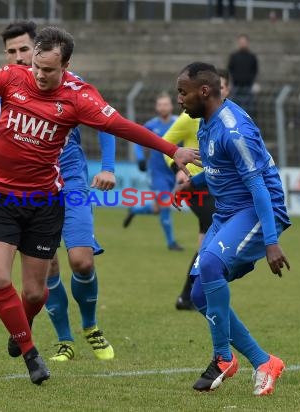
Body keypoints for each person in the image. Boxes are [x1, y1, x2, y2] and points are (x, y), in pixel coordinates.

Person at [0, 26, 200, 385]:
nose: (39, 74)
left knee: (35, 292)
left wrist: (172, 150)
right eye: (36, 66)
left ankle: (29, 329)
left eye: (48, 69)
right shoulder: (13, 78)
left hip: (44, 202)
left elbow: (121, 127)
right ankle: (31, 353)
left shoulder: (79, 97)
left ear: (66, 66)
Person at [0, 21, 117, 363]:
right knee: (49, 269)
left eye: (24, 50)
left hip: (69, 181)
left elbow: (109, 123)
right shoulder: (3, 90)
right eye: (11, 52)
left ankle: (91, 326)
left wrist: (108, 167)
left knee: (81, 260)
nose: (18, 57)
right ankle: (64, 339)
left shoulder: (73, 89)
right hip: (26, 190)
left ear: (41, 50)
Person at [174, 62, 290, 395]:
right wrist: (191, 184)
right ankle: (264, 361)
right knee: (198, 295)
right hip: (228, 213)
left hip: (257, 210)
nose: (179, 99)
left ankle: (223, 357)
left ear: (204, 91)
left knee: (209, 265)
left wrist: (271, 241)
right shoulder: (206, 123)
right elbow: (218, 169)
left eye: (183, 92)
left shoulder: (233, 129)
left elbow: (258, 187)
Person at [163, 69, 231, 310]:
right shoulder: (190, 116)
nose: (219, 90)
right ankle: (196, 293)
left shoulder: (228, 119)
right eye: (217, 85)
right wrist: (177, 169)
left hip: (217, 186)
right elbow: (165, 143)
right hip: (195, 186)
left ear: (227, 90)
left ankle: (189, 296)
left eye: (223, 87)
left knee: (207, 244)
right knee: (215, 232)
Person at [123, 93, 183, 252]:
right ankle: (171, 243)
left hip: (174, 172)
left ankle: (134, 210)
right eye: (160, 104)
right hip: (157, 173)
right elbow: (137, 141)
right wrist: (141, 158)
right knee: (164, 205)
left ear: (171, 106)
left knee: (157, 208)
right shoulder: (151, 125)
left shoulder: (179, 122)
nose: (163, 107)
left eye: (166, 104)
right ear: (157, 107)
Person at [227, 34, 258, 116]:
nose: (242, 44)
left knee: (248, 110)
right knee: (235, 110)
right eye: (241, 42)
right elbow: (230, 69)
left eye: (244, 42)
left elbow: (255, 70)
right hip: (236, 86)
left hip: (248, 86)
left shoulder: (252, 57)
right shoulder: (234, 56)